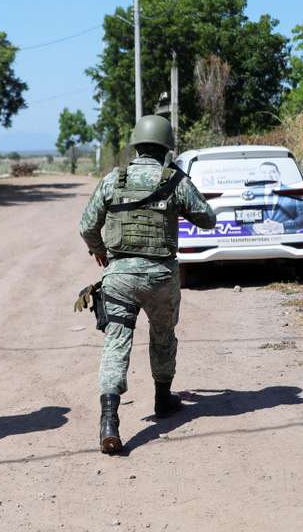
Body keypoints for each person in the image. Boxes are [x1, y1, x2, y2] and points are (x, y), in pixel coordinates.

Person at [78, 114, 217, 453]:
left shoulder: (114, 179)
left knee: (116, 343)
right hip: (160, 278)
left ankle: (109, 421)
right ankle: (163, 399)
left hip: (120, 277)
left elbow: (86, 225)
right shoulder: (175, 180)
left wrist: (100, 252)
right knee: (163, 336)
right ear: (167, 148)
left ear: (136, 145)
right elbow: (208, 219)